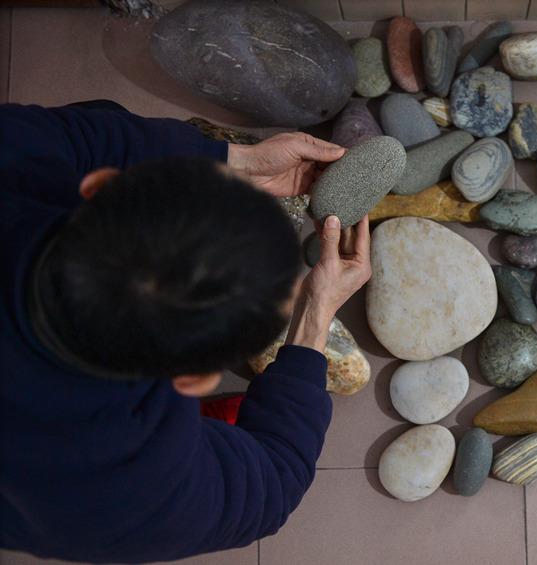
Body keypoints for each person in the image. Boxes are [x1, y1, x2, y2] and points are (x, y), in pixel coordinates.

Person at [0, 102, 371, 563]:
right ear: (192, 380)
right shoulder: (126, 494)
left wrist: (237, 163)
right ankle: (201, 439)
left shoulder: (15, 157)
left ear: (102, 187)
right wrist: (315, 313)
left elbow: (85, 135)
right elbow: (272, 487)